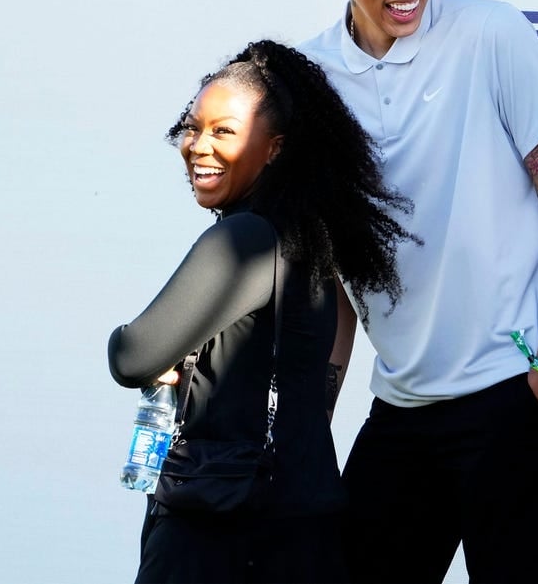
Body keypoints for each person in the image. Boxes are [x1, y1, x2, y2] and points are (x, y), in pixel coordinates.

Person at [296, 0, 538, 583]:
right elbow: (330, 274)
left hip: (517, 395)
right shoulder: (310, 80)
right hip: (401, 408)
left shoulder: (490, 33)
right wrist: (309, 430)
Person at [108, 40, 414, 584]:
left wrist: (143, 348)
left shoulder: (246, 239)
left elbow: (132, 356)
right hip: (300, 523)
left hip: (223, 528)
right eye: (194, 127)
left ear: (274, 149)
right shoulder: (305, 238)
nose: (199, 145)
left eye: (224, 131)